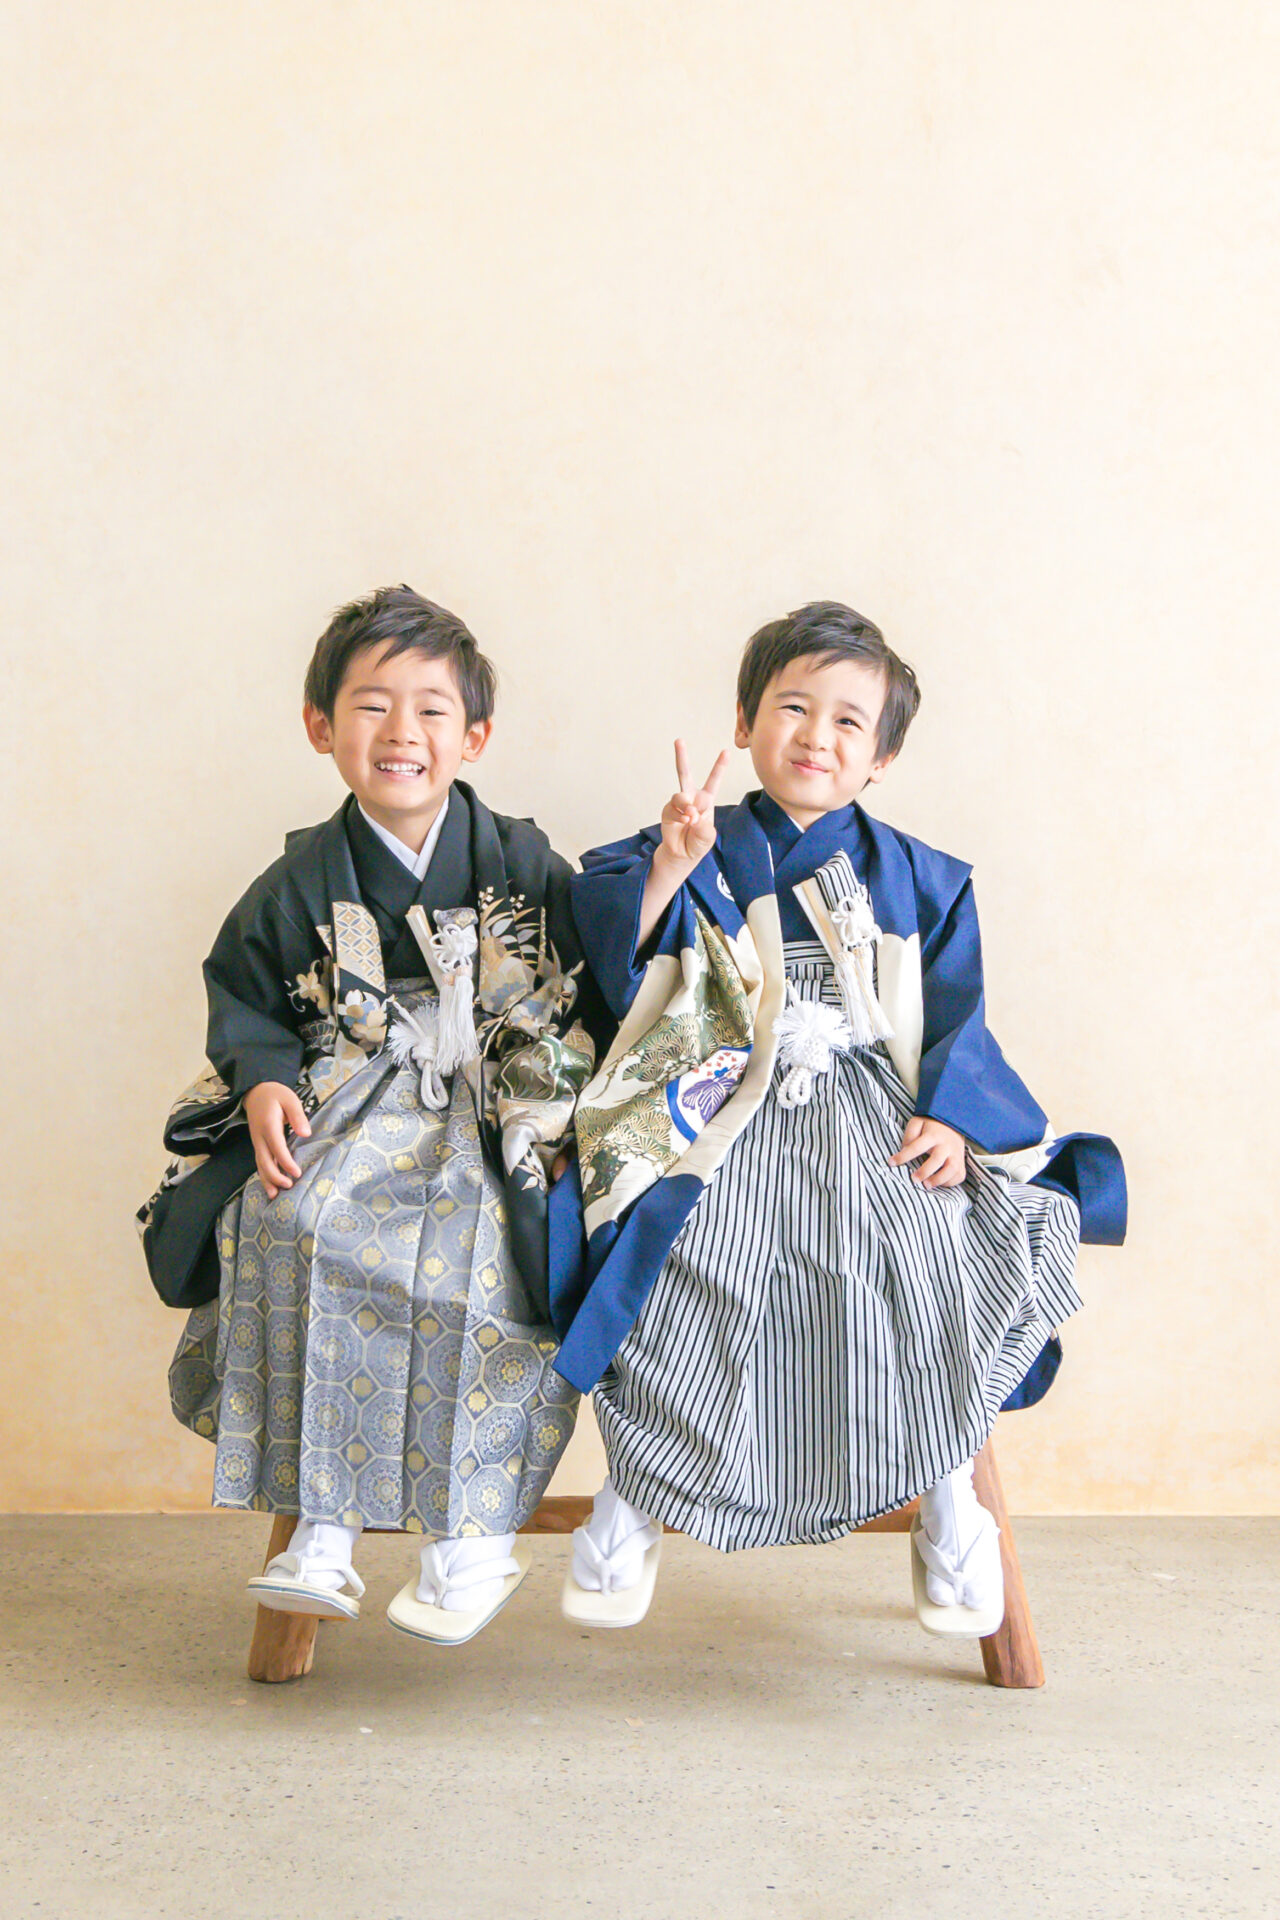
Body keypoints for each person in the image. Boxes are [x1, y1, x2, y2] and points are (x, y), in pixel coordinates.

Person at [551, 601, 1125, 1636]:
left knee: (926, 1252)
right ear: (743, 720)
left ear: (881, 758)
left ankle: (947, 1496)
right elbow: (609, 961)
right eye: (792, 708)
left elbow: (954, 1019)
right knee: (682, 1256)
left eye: (849, 723)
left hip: (872, 1109)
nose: (816, 737)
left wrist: (951, 1120)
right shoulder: (686, 842)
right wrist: (673, 871)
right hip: (716, 1109)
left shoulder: (925, 877)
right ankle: (633, 1497)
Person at [141, 586, 600, 1645]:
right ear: (320, 727)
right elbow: (245, 996)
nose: (402, 733)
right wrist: (262, 1081)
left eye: (432, 709)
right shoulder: (300, 876)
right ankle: (324, 1533)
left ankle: (470, 1539)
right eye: (370, 706)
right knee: (286, 1228)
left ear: (473, 734)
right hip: (347, 1102)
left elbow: (590, 977)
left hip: (490, 1114)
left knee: (491, 1250)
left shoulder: (519, 859)